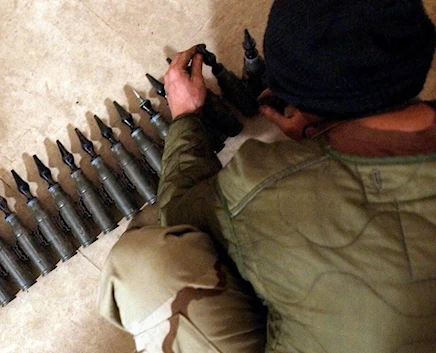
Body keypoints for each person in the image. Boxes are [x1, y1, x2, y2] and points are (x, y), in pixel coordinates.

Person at [98, 0, 436, 352]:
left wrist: (186, 116)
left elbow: (178, 212)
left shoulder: (262, 186)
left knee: (144, 263)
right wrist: (324, 124)